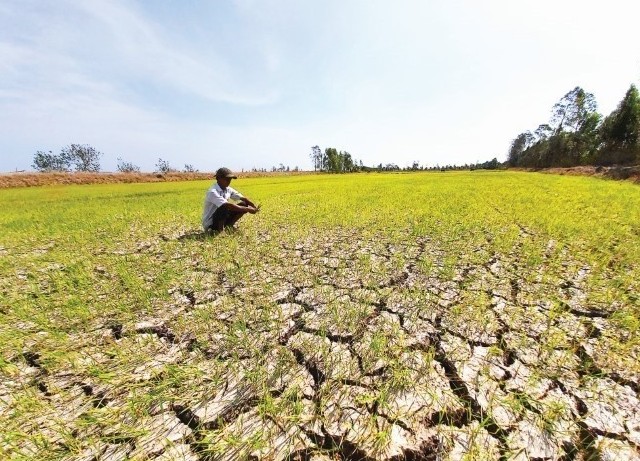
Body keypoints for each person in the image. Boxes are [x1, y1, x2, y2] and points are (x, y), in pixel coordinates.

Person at [202, 167, 259, 233]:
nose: (229, 181)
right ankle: (220, 231)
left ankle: (229, 226)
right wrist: (248, 209)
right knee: (225, 206)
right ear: (218, 178)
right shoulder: (212, 192)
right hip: (211, 223)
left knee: (244, 204)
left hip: (222, 217)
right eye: (226, 179)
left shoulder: (227, 189)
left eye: (230, 179)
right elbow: (228, 205)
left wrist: (251, 205)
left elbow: (242, 198)